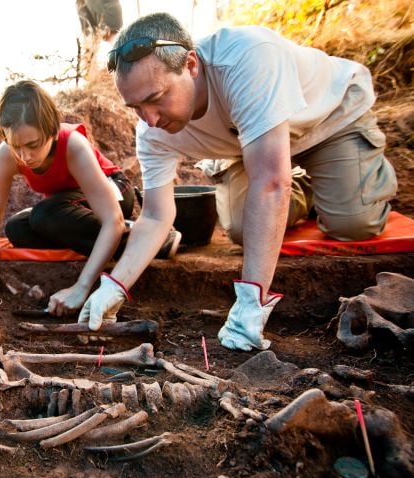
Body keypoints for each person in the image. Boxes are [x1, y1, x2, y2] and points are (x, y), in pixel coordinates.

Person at [81, 12, 397, 351]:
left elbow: (269, 184)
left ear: (191, 65)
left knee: (353, 223)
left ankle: (352, 174)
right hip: (252, 146)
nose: (150, 118)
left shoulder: (246, 58)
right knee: (245, 229)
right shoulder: (151, 131)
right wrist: (113, 286)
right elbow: (157, 215)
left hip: (327, 122)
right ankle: (300, 184)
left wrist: (251, 302)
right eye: (135, 107)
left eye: (156, 98)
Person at [0, 80, 179, 317]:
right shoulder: (6, 155)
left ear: (52, 131)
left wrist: (81, 286)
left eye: (33, 145)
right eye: (16, 146)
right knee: (17, 228)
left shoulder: (73, 145)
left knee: (45, 215)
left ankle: (148, 237)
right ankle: (118, 239)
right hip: (67, 206)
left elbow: (112, 219)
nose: (25, 156)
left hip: (113, 192)